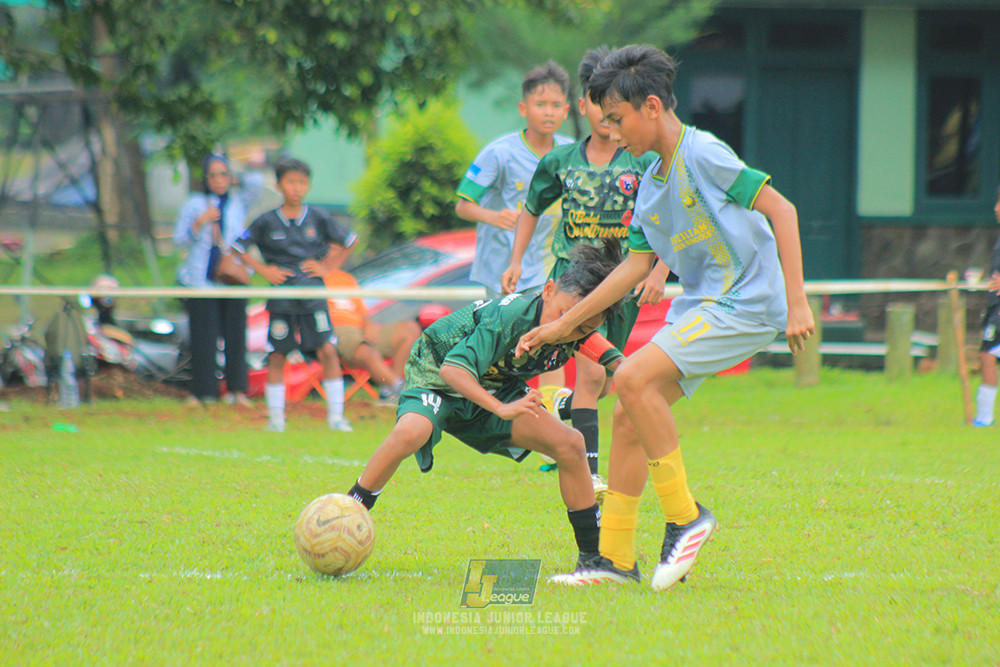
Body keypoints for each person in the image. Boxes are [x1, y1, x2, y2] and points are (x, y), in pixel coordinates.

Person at [517, 44, 815, 590]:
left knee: (628, 377)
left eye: (617, 119)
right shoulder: (650, 184)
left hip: (746, 300)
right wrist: (560, 326)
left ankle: (685, 517)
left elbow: (781, 209)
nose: (610, 132)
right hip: (704, 306)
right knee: (628, 412)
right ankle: (614, 562)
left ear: (651, 106)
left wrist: (796, 301)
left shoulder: (703, 154)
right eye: (603, 120)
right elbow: (630, 268)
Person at [346, 241, 627, 573]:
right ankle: (347, 513)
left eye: (584, 327)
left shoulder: (576, 328)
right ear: (548, 290)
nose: (572, 331)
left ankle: (592, 559)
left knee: (571, 444)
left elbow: (620, 366)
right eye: (566, 317)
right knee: (412, 431)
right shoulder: (509, 317)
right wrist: (500, 408)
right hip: (437, 375)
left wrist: (636, 378)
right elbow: (453, 369)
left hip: (496, 389)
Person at [501, 46, 671, 499]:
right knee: (590, 372)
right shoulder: (560, 162)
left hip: (622, 279)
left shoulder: (642, 161)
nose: (605, 115)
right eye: (597, 104)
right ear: (585, 106)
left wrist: (658, 271)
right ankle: (586, 465)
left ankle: (579, 455)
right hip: (573, 278)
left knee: (604, 374)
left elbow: (672, 221)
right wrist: (516, 260)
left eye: (612, 105)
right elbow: (531, 210)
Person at [233, 157, 357, 432]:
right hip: (282, 297)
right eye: (291, 181)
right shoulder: (266, 220)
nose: (296, 188)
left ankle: (336, 417)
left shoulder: (318, 217)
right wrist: (264, 271)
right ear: (279, 184)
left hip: (312, 293)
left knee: (327, 350)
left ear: (308, 185)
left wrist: (327, 268)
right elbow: (237, 248)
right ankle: (276, 419)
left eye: (302, 182)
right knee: (278, 354)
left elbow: (349, 241)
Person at [455, 60, 573, 301]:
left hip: (548, 269)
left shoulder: (571, 153)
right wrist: (494, 217)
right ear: (523, 109)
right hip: (502, 270)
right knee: (504, 336)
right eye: (540, 104)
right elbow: (462, 206)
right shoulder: (499, 152)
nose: (549, 111)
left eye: (556, 105)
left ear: (566, 111)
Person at [173, 154, 258, 407]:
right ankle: (202, 391)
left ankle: (236, 390)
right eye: (214, 175)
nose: (219, 180)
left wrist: (237, 174)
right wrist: (199, 223)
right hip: (202, 281)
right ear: (205, 179)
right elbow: (179, 239)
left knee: (235, 336)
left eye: (224, 174)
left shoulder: (237, 202)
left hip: (231, 279)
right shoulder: (194, 203)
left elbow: (255, 182)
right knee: (203, 338)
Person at [323, 268, 421, 403]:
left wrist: (368, 325)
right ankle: (401, 390)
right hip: (336, 331)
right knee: (366, 350)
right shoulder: (310, 279)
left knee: (409, 329)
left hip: (359, 328)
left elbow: (362, 311)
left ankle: (389, 393)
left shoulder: (345, 278)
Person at [973, 185, 1000, 427]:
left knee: (987, 355)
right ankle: (983, 417)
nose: (996, 208)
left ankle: (984, 417)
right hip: (995, 307)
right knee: (987, 355)